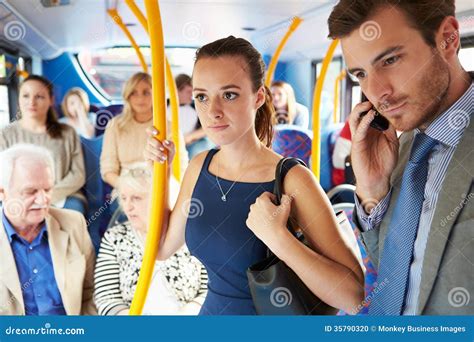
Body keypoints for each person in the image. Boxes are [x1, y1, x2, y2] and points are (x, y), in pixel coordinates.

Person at [144, 36, 364, 315]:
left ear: (258, 97)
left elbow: (353, 297)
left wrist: (278, 238)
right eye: (202, 96)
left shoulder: (291, 178)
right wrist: (159, 171)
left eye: (229, 94)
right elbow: (162, 247)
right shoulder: (199, 167)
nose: (212, 111)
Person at [328, 0, 473, 315]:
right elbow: (395, 274)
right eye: (360, 74)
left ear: (447, 38)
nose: (376, 92)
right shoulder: (399, 148)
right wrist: (371, 195)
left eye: (390, 59)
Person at [94, 165, 207, 315]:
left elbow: (210, 288)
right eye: (123, 198)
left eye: (136, 198)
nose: (127, 207)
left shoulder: (191, 234)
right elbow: (106, 297)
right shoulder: (115, 237)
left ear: (160, 199)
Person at [0, 144, 96, 315]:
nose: (43, 200)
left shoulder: (74, 223)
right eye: (30, 192)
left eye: (48, 189)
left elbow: (91, 293)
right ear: (2, 192)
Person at [0, 75, 86, 214]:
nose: (32, 102)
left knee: (73, 212)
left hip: (64, 197)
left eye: (39, 96)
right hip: (19, 198)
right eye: (26, 96)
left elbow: (78, 174)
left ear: (51, 100)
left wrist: (48, 196)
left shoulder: (67, 133)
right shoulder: (5, 134)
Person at [101, 72, 187, 189]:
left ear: (155, 95)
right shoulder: (114, 125)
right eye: (134, 93)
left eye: (146, 93)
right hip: (126, 188)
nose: (140, 98)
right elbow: (108, 169)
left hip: (158, 186)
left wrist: (161, 187)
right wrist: (128, 188)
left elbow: (181, 167)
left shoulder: (169, 127)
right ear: (127, 96)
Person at [173, 74, 213, 159]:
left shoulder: (196, 107)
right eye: (188, 92)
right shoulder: (165, 106)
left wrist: (190, 137)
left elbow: (208, 127)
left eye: (193, 92)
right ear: (177, 91)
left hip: (190, 144)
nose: (191, 95)